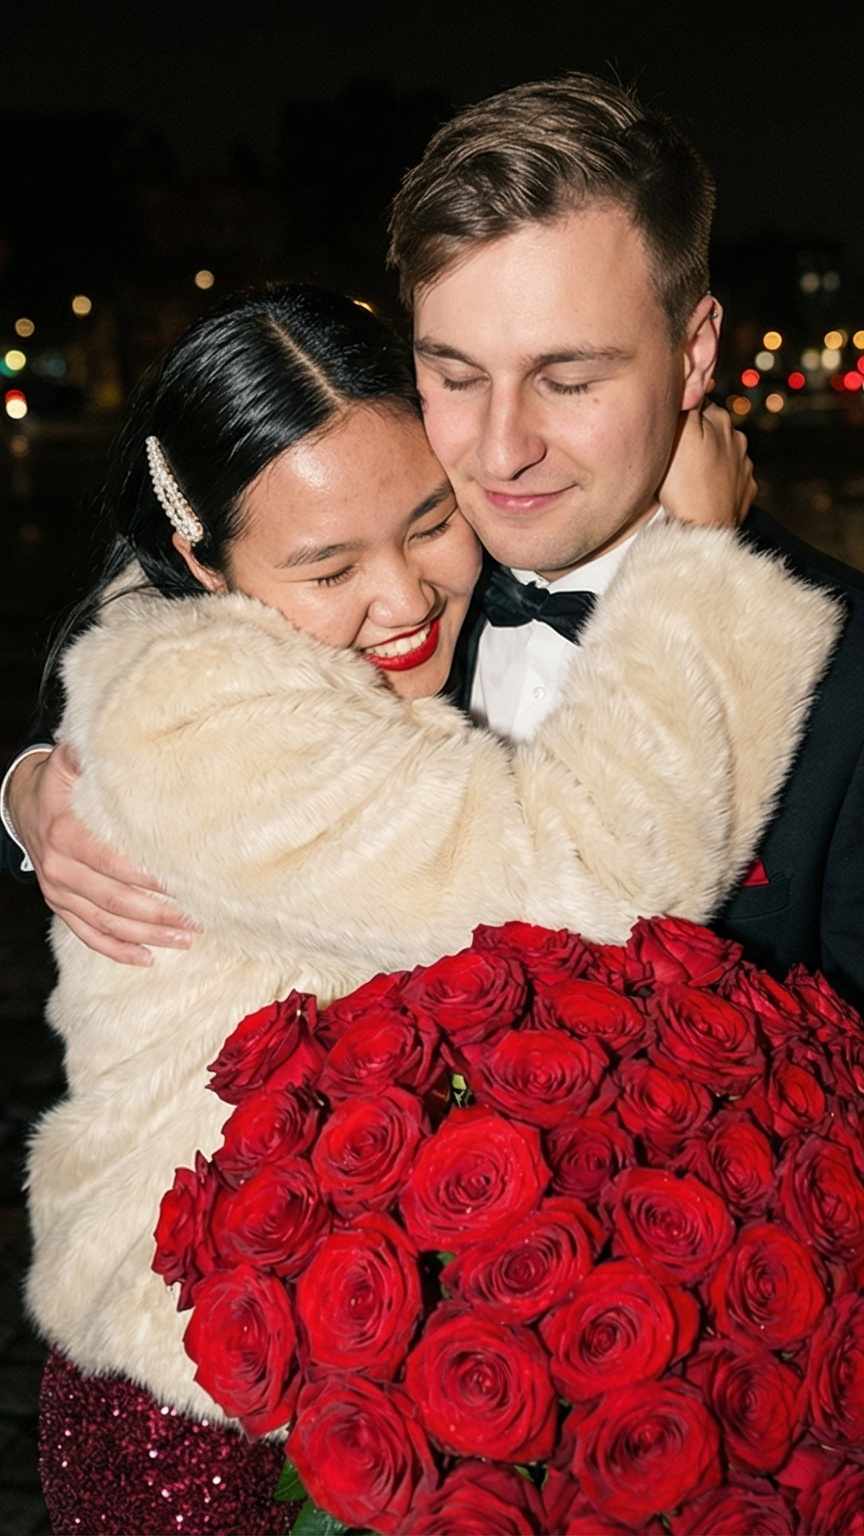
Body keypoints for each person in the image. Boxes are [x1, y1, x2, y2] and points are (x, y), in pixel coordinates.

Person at [23, 283, 838, 1536]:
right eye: (328, 566)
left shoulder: (242, 649)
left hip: (321, 1349)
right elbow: (597, 882)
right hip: (202, 1402)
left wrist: (23, 793)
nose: (403, 602)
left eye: (427, 523)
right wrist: (698, 562)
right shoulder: (201, 714)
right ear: (203, 563)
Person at [10, 73, 861, 1005]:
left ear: (695, 353)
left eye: (569, 379)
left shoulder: (848, 674)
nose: (503, 453)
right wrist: (47, 781)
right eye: (454, 377)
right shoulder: (363, 613)